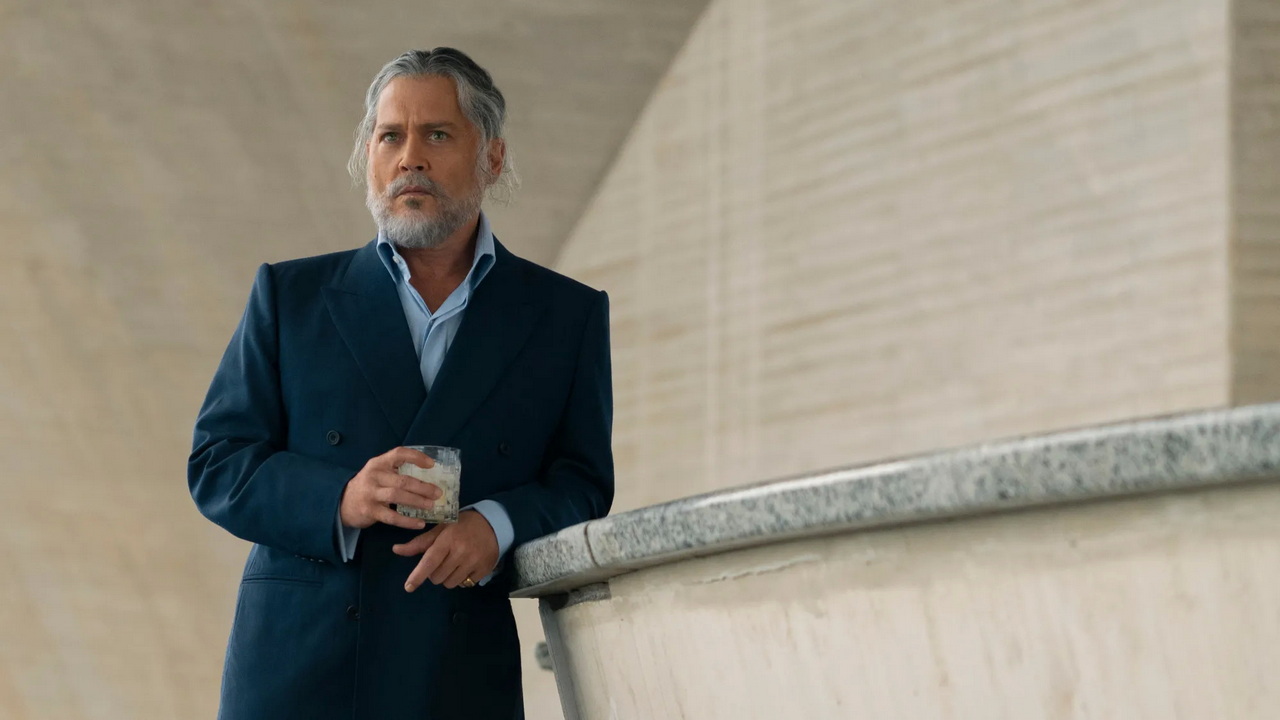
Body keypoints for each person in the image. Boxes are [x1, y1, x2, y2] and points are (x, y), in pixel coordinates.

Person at [188, 47, 614, 720]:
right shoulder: (292, 296)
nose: (410, 157)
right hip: (299, 668)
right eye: (391, 136)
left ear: (492, 157)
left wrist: (495, 526)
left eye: (437, 135)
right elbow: (218, 463)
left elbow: (582, 482)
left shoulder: (565, 314)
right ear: (370, 155)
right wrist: (342, 497)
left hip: (457, 667)